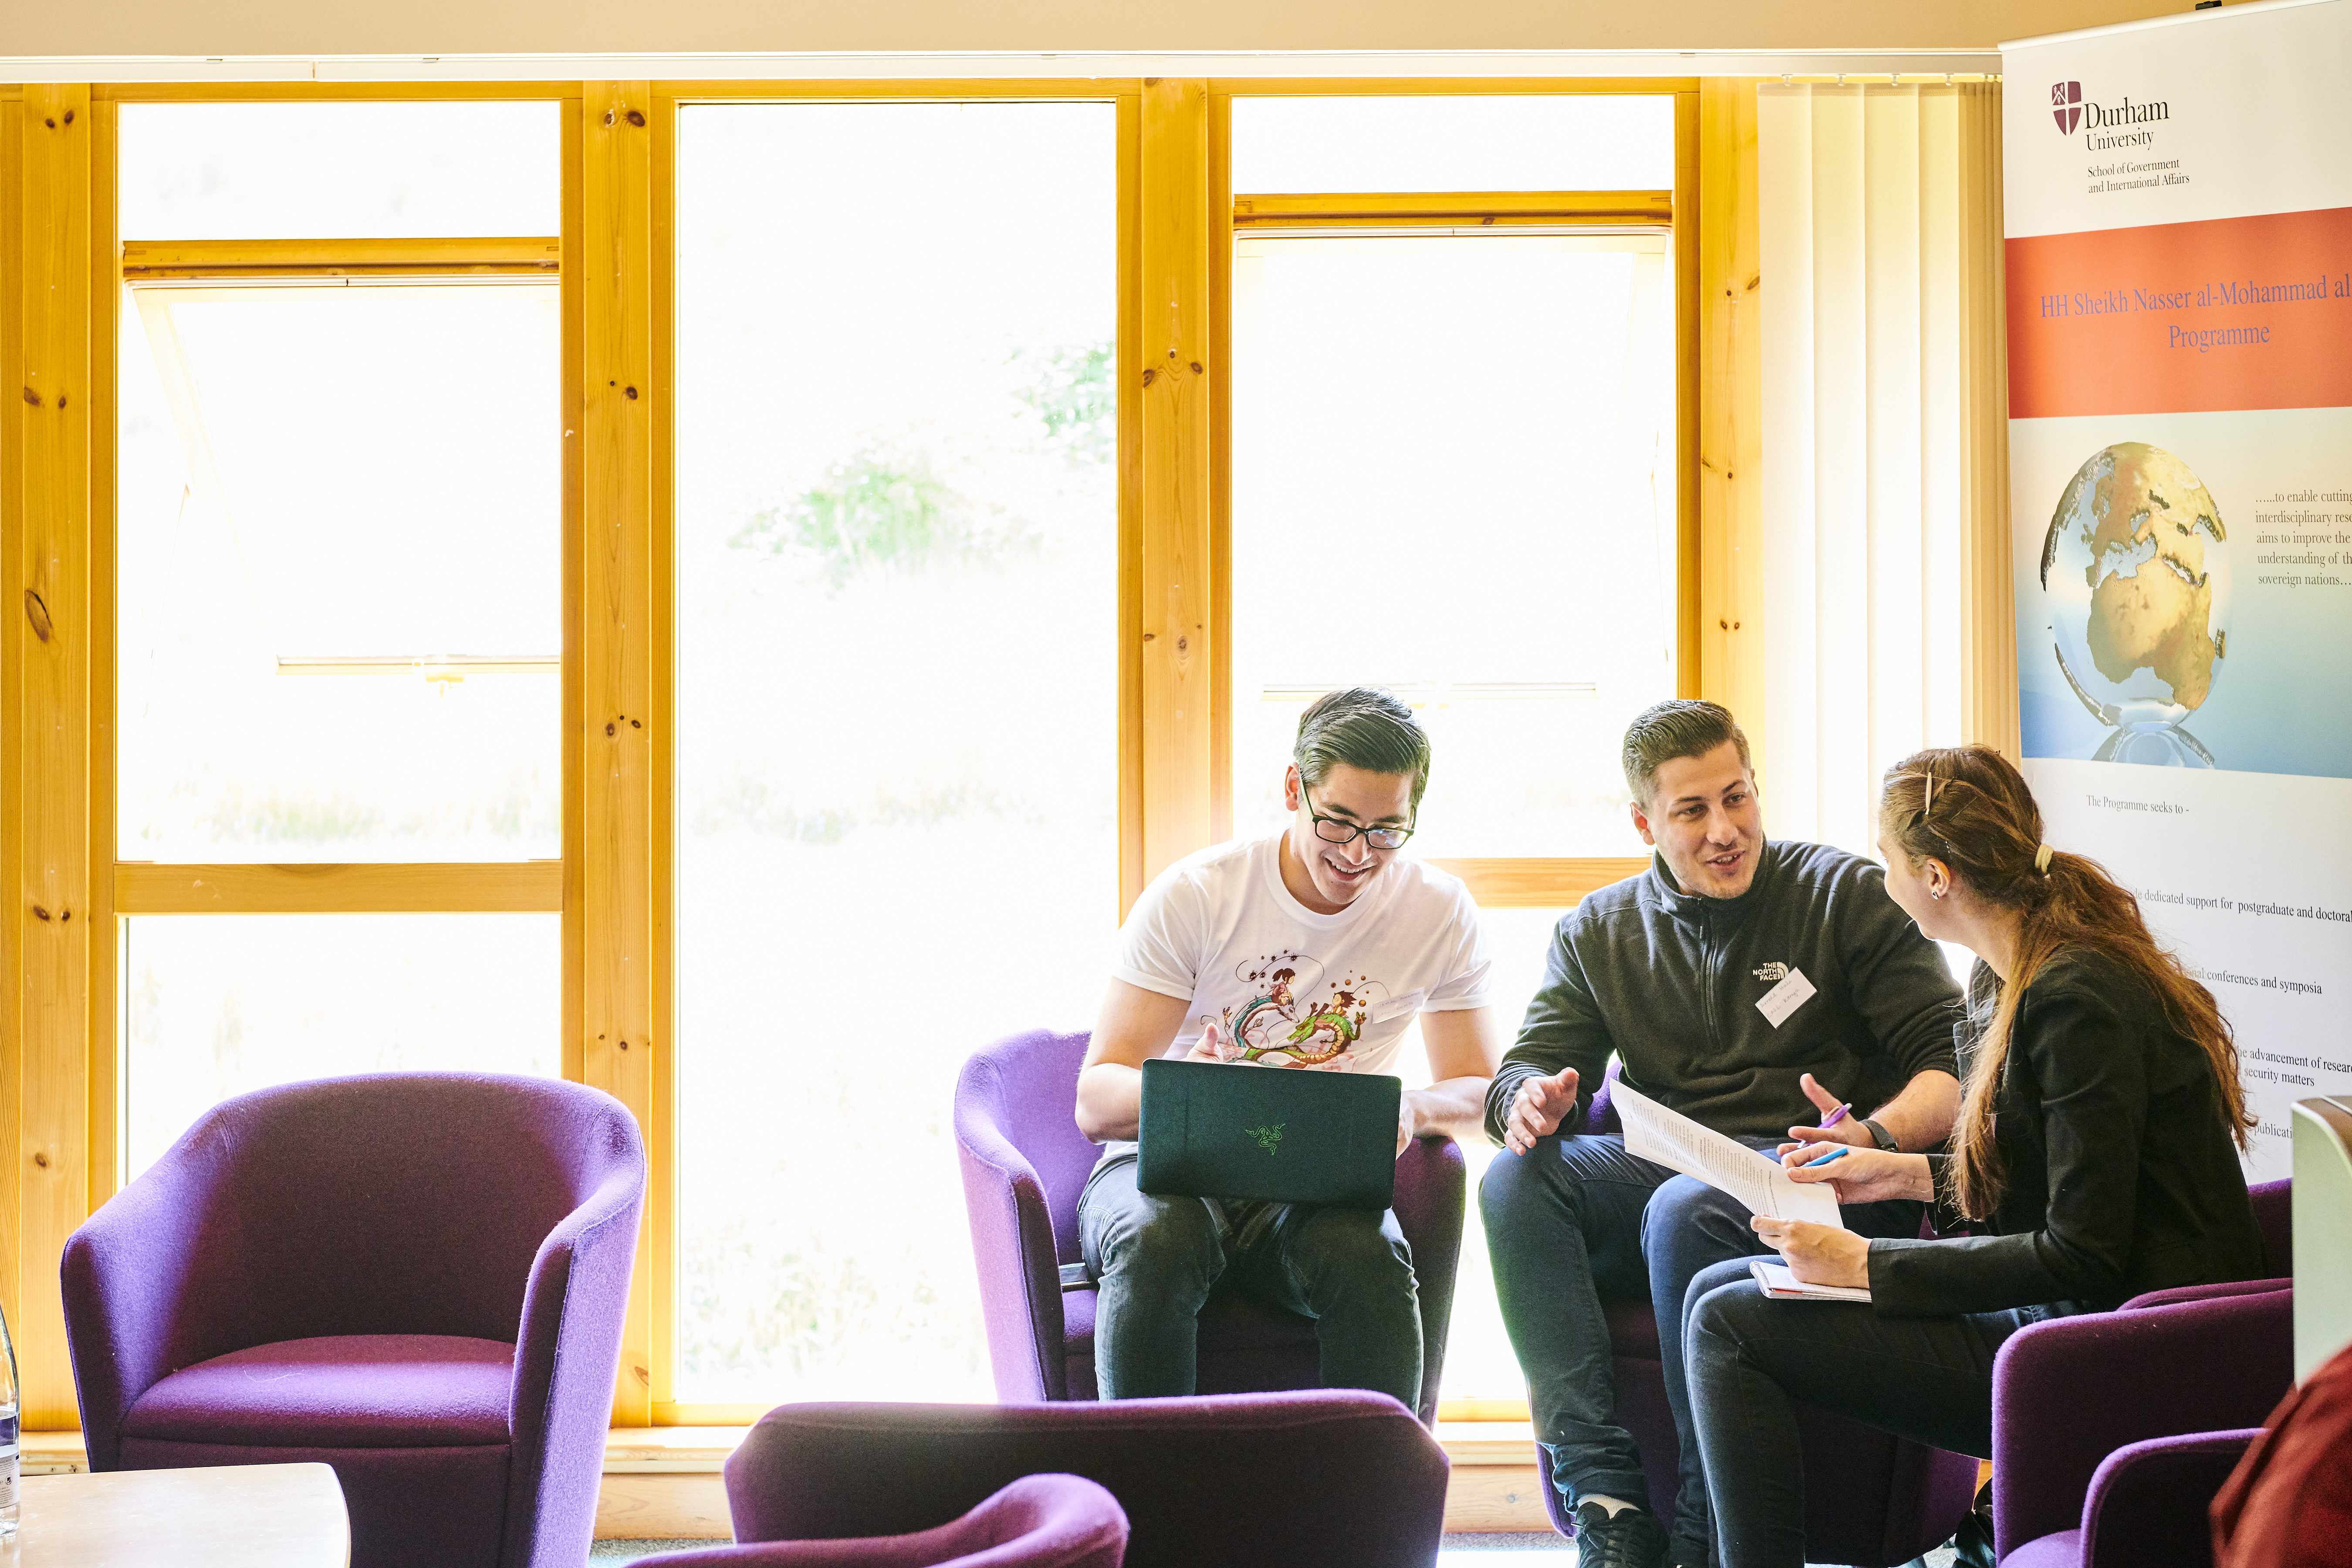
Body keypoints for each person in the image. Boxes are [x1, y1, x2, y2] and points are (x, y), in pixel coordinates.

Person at [1684, 744, 2266, 1568]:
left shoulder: (2075, 1000)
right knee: (1720, 1288)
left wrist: (1865, 1265)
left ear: (1934, 876)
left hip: (2122, 1345)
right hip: (2079, 1312)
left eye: (1886, 856)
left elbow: (2084, 1252)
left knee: (1727, 1321)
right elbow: (2050, 1176)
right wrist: (1893, 1172)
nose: (1878, 874)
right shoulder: (2010, 973)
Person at [1480, 700, 1965, 1568]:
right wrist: (1527, 1100)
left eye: (1737, 798)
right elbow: (1529, 1065)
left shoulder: (1841, 893)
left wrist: (1876, 1141)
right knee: (1515, 1181)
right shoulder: (1601, 931)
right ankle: (1609, 1501)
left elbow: (1950, 1067)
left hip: (1824, 1181)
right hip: (1672, 1176)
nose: (1725, 831)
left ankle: (1707, 1521)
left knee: (1682, 1212)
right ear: (1643, 822)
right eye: (1692, 812)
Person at [1073, 686, 1504, 1409]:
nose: (1359, 854)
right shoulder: (1199, 895)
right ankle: (1149, 1506)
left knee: (1369, 1257)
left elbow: (1481, 1089)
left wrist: (1411, 1106)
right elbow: (1095, 1098)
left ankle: (1376, 1507)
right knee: (1159, 1242)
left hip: (1314, 1189)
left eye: (1387, 830)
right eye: (1337, 822)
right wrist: (1182, 1086)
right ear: (1291, 790)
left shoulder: (1438, 911)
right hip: (1166, 1176)